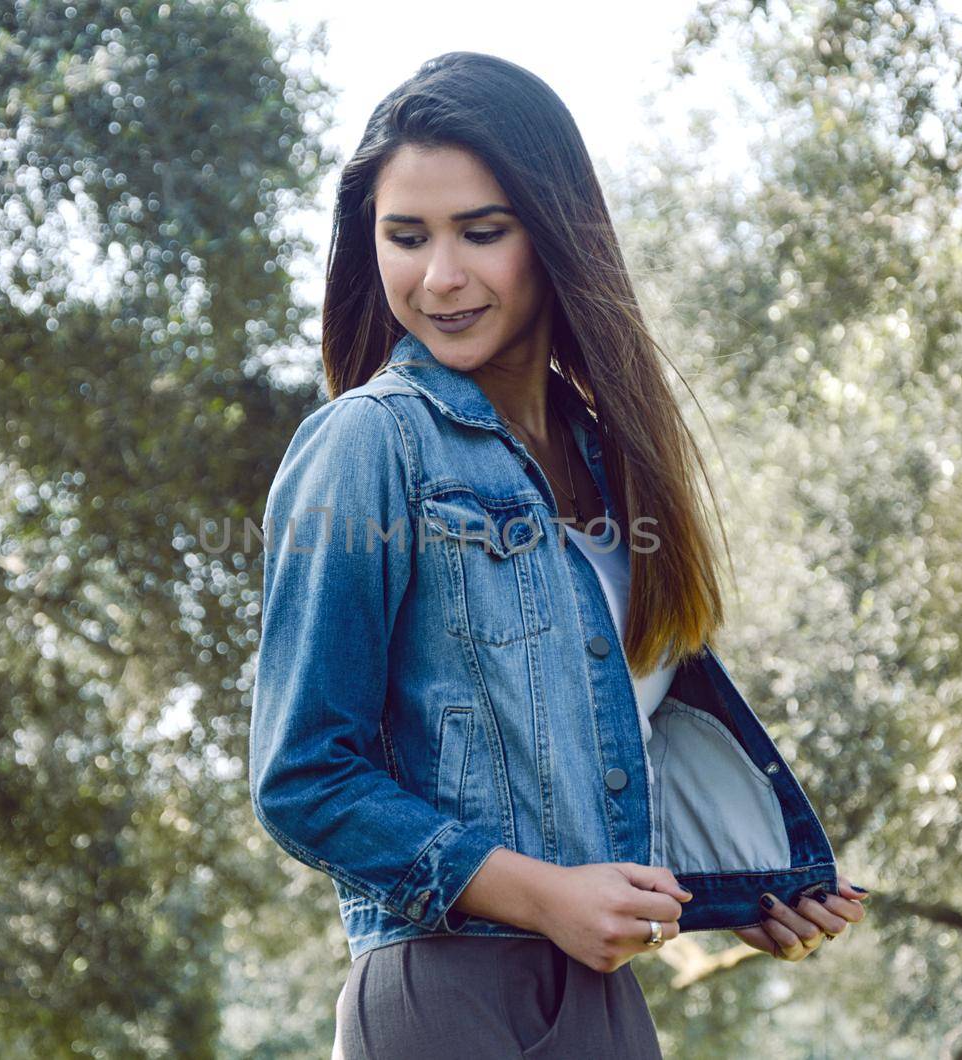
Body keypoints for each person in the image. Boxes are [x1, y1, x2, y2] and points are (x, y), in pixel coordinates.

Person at [250, 51, 871, 1059]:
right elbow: (304, 776)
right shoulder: (370, 443)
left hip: (600, 1000)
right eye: (405, 237)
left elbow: (613, 744)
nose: (439, 276)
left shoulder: (608, 457)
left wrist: (735, 892)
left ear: (553, 234)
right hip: (446, 990)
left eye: (480, 233)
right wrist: (544, 897)